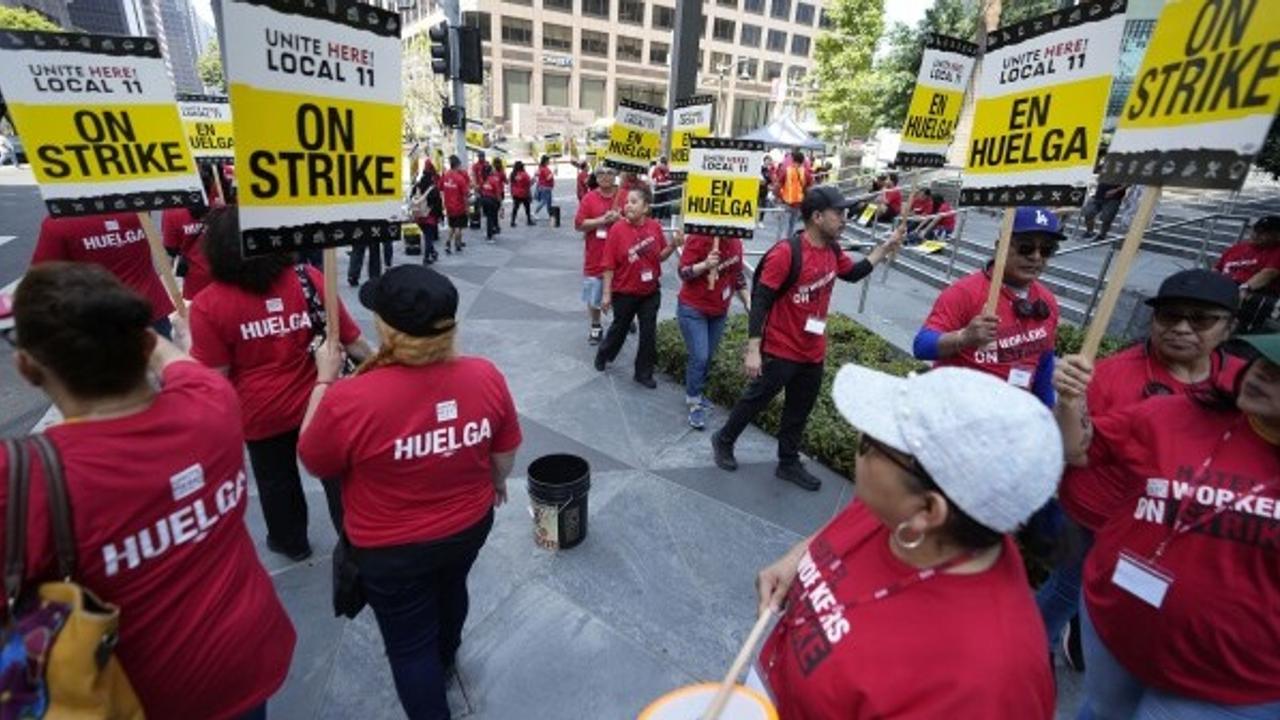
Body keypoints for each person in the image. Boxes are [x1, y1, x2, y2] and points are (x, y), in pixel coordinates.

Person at [2, 262, 295, 718]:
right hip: (247, 654)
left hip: (137, 694)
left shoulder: (22, 476)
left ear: (26, 367)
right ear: (141, 341)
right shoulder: (210, 401)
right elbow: (175, 359)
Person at [755, 363, 1058, 719]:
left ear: (929, 511)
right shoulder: (896, 511)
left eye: (871, 442)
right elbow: (850, 523)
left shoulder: (986, 686)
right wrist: (802, 556)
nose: (858, 439)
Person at [297, 265, 521, 720]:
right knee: (452, 586)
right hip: (469, 525)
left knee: (408, 645)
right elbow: (505, 451)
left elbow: (314, 458)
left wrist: (323, 379)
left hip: (390, 549)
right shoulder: (485, 375)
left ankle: (432, 669)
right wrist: (495, 482)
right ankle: (446, 653)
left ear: (387, 329)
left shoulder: (350, 398)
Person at [1052, 333, 1280, 719]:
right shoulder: (1176, 414)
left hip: (1226, 682)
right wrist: (1070, 402)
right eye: (1263, 364)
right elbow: (1077, 448)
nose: (1259, 376)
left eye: (1279, 376)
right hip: (1114, 629)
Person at [1037, 269, 1243, 672]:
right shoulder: (1111, 374)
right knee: (1067, 585)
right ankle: (1030, 645)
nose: (1181, 328)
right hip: (1092, 516)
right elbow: (1072, 451)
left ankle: (1092, 635)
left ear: (1229, 327)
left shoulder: (1241, 383)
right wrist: (1066, 402)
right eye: (1169, 316)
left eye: (1200, 319)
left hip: (1176, 527)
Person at [190, 206, 371, 561]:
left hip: (259, 415)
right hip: (321, 403)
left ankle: (291, 542)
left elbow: (216, 380)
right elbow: (353, 343)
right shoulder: (309, 279)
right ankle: (355, 543)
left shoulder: (207, 305)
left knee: (276, 483)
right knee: (337, 478)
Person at [712, 186, 904, 491]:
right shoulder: (786, 253)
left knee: (798, 411)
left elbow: (853, 273)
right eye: (838, 213)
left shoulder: (832, 250)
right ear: (817, 216)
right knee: (755, 400)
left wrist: (885, 247)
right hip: (781, 347)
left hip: (813, 350)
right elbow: (760, 300)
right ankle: (724, 440)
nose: (844, 219)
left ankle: (787, 463)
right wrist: (753, 349)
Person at [912, 206, 1064, 407]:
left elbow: (1044, 363)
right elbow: (922, 345)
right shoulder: (965, 292)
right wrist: (964, 338)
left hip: (1011, 421)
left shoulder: (1048, 300)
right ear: (1000, 246)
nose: (1036, 257)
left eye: (1046, 250)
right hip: (958, 411)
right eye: (1026, 247)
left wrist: (1048, 419)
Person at [31, 212, 176, 338]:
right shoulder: (137, 211)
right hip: (147, 310)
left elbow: (42, 277)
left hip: (94, 319)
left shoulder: (59, 222)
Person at [593, 184, 683, 388]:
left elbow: (659, 257)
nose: (628, 205)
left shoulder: (654, 226)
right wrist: (606, 294)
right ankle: (604, 354)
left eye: (634, 202)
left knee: (648, 332)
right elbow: (608, 264)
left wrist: (673, 245)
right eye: (627, 202)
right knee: (620, 328)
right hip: (624, 291)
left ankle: (643, 373)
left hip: (650, 292)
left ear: (646, 207)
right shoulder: (617, 229)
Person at [677, 230, 749, 429]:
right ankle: (693, 401)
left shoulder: (735, 241)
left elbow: (737, 274)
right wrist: (705, 265)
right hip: (693, 308)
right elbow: (683, 272)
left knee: (707, 356)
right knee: (699, 356)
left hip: (719, 310)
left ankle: (697, 392)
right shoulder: (699, 238)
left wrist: (747, 300)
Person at [575, 164, 626, 346]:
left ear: (616, 175)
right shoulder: (589, 198)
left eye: (610, 172)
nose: (605, 176)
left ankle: (626, 320)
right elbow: (579, 224)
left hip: (622, 257)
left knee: (625, 293)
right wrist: (601, 221)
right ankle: (596, 326)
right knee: (594, 296)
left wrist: (620, 219)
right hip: (596, 256)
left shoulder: (624, 196)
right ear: (596, 177)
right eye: (601, 173)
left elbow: (638, 219)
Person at [161, 202, 213, 301]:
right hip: (225, 275)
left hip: (195, 278)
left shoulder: (172, 212)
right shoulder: (219, 201)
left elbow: (171, 248)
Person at [410, 169, 442, 265]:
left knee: (426, 236)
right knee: (428, 238)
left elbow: (412, 198)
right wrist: (440, 216)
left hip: (418, 216)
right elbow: (438, 204)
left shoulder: (416, 187)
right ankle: (426, 258)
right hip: (429, 217)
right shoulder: (433, 188)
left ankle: (433, 252)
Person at [776, 150, 811, 237]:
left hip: (786, 202)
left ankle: (780, 244)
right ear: (803, 161)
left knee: (782, 225)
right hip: (798, 203)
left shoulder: (786, 171)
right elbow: (809, 188)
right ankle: (789, 243)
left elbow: (777, 186)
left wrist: (779, 197)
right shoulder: (806, 173)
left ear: (793, 160)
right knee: (792, 226)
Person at [441, 155, 470, 255]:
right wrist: (467, 208)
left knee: (451, 226)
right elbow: (465, 195)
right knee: (458, 227)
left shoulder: (445, 175)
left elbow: (441, 188)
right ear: (457, 165)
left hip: (449, 206)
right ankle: (457, 244)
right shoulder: (460, 179)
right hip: (459, 207)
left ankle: (448, 242)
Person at [478, 162, 502, 243]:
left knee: (489, 217)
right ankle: (489, 236)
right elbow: (498, 193)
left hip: (484, 200)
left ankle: (490, 232)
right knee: (490, 218)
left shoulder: (483, 180)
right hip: (491, 200)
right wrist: (500, 203)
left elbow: (480, 189)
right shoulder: (494, 180)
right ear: (491, 171)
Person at [510, 160, 533, 226]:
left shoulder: (513, 174)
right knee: (527, 208)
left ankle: (512, 221)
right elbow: (529, 183)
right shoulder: (525, 174)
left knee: (515, 208)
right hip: (524, 193)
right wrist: (533, 181)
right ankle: (529, 220)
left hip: (516, 193)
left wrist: (512, 192)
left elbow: (512, 184)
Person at [535, 154, 556, 220]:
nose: (549, 162)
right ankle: (535, 212)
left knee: (549, 202)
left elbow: (536, 174)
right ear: (546, 161)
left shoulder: (541, 167)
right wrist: (553, 173)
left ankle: (550, 215)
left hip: (543, 187)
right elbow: (548, 178)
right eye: (548, 160)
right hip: (546, 187)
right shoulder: (545, 169)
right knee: (544, 201)